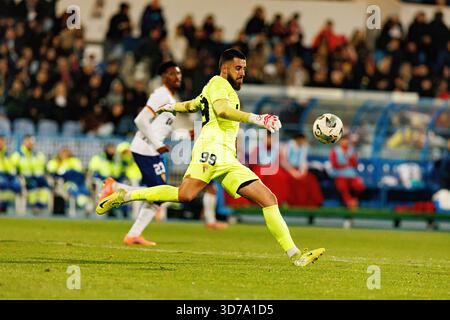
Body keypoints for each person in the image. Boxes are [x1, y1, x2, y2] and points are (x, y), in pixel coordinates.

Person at [96, 49, 325, 267]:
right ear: (224, 69)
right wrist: (259, 119)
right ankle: (127, 195)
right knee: (185, 195)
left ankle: (296, 255)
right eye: (238, 68)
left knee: (268, 198)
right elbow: (223, 111)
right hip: (211, 150)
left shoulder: (217, 89)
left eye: (244, 68)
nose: (243, 72)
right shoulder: (218, 84)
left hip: (228, 158)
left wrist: (171, 107)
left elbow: (194, 104)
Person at [280, 133, 324, 207]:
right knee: (289, 180)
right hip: (287, 169)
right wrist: (293, 172)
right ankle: (289, 202)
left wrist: (302, 172)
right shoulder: (287, 146)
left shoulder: (304, 147)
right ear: (298, 139)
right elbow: (283, 161)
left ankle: (311, 203)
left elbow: (303, 161)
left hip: (298, 169)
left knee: (310, 179)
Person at [10, 135, 50, 213]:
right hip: (25, 178)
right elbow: (13, 169)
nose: (30, 143)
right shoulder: (17, 155)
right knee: (33, 185)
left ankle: (39, 205)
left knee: (46, 186)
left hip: (37, 177)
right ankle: (34, 205)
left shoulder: (37, 155)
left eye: (31, 142)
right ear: (24, 142)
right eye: (28, 141)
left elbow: (44, 167)